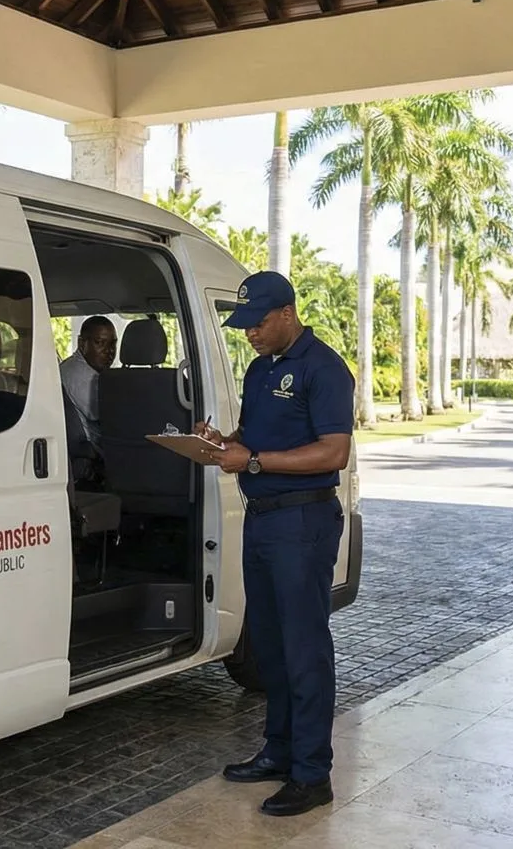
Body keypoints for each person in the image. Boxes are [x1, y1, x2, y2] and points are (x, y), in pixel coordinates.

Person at [195, 271, 354, 818]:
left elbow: (334, 452)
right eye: (244, 327)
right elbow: (254, 437)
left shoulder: (325, 368)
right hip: (262, 521)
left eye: (258, 324)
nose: (250, 335)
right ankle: (279, 751)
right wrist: (223, 443)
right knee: (269, 645)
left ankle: (312, 775)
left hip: (302, 522)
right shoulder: (262, 369)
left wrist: (256, 462)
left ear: (287, 313)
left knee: (304, 648)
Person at [59, 316, 116, 451]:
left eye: (112, 344)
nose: (109, 350)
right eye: (100, 343)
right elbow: (112, 418)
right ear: (81, 343)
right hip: (93, 454)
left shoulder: (70, 366)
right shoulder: (81, 376)